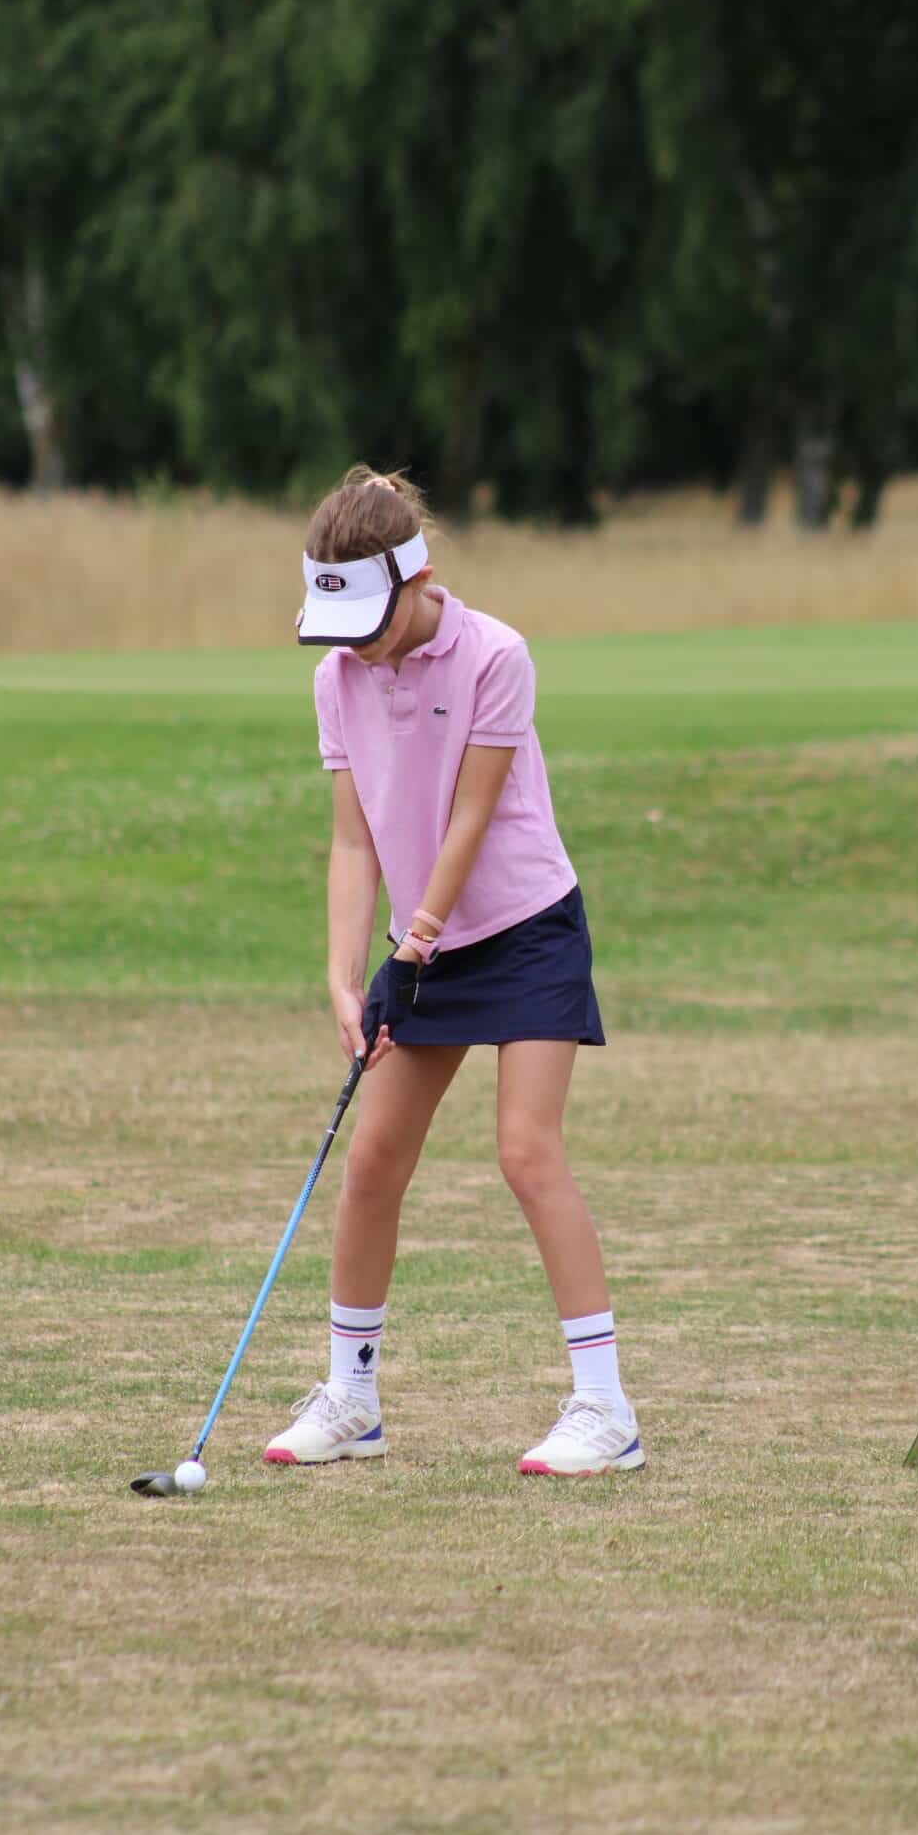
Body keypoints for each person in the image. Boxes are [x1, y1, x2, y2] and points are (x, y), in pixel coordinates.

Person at [264, 467, 642, 1477]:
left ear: (418, 578)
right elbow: (354, 841)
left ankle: (605, 1411)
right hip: (417, 948)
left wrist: (411, 945)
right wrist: (342, 974)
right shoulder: (336, 678)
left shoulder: (495, 656)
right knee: (371, 1162)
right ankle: (352, 1400)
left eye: (369, 622)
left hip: (525, 927)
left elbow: (469, 820)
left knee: (525, 1151)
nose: (357, 646)